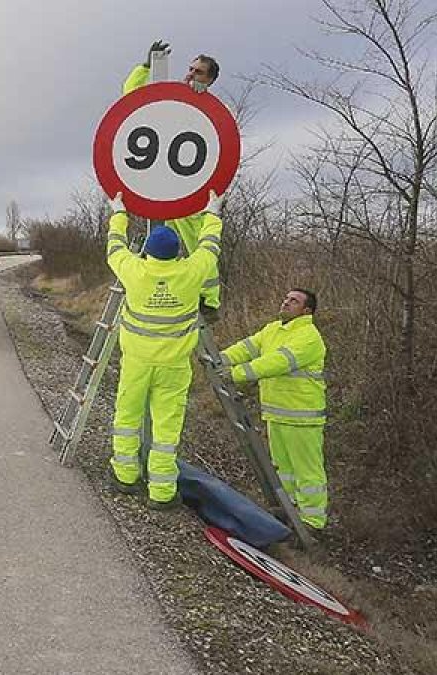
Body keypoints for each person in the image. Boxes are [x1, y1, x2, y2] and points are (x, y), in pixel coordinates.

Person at [106, 189, 225, 509]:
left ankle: (126, 476)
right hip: (174, 365)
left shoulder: (134, 270)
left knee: (127, 417)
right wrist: (213, 211)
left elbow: (115, 246)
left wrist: (118, 212)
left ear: (146, 251)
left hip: (137, 362)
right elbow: (209, 246)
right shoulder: (191, 271)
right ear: (176, 254)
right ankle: (161, 493)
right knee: (167, 428)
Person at [123, 40, 223, 321]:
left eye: (199, 72)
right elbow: (131, 96)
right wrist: (145, 66)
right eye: (191, 69)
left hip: (191, 189)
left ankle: (209, 302)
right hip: (161, 186)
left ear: (211, 80)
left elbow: (221, 143)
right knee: (161, 246)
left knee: (199, 242)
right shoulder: (170, 96)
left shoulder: (213, 108)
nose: (191, 74)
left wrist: (202, 101)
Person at [219, 289, 328, 529]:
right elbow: (247, 347)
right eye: (287, 298)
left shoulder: (308, 337)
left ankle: (313, 522)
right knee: (284, 468)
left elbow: (277, 362)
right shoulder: (273, 329)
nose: (286, 302)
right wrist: (222, 359)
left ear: (306, 311)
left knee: (307, 471)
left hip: (302, 417)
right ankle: (289, 511)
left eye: (294, 301)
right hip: (277, 413)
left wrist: (235, 374)